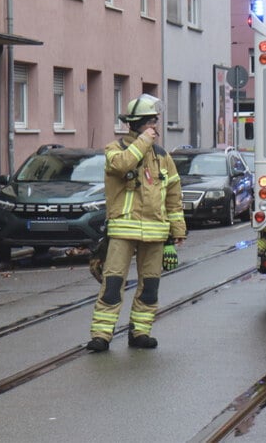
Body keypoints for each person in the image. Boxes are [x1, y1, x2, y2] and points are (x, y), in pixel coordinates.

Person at [86, 94, 187, 352]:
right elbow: (122, 166)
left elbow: (174, 194)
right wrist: (142, 142)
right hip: (123, 230)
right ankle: (101, 335)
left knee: (150, 286)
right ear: (138, 124)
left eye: (156, 121)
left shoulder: (163, 156)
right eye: (151, 122)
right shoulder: (115, 150)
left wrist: (176, 232)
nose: (156, 127)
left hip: (155, 232)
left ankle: (140, 332)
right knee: (112, 285)